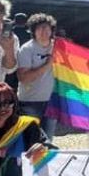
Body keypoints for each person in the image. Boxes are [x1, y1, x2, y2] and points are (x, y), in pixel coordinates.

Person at [17, 13, 58, 141]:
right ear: (33, 31)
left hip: (52, 102)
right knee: (31, 142)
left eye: (47, 28)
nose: (44, 31)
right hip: (30, 102)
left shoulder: (58, 47)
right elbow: (24, 78)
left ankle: (45, 162)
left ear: (52, 31)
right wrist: (47, 65)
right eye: (39, 28)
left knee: (48, 142)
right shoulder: (26, 49)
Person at [5, 13, 31, 92]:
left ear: (14, 21)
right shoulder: (30, 35)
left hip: (10, 59)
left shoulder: (8, 33)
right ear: (26, 22)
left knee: (9, 83)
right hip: (24, 61)